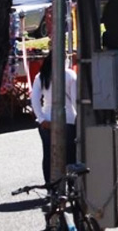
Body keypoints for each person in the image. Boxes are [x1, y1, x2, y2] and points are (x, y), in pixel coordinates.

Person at [30, 49, 78, 184]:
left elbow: (34, 100)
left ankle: (50, 185)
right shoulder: (70, 75)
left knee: (49, 155)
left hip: (47, 119)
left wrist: (41, 118)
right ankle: (71, 185)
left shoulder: (41, 76)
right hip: (68, 120)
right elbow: (75, 100)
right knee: (70, 155)